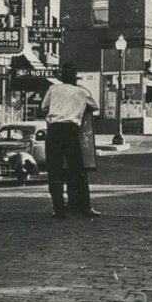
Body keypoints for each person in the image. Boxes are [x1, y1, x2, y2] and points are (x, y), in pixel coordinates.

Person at [41, 61, 100, 219]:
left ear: (62, 77)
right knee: (78, 170)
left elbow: (44, 107)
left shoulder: (53, 89)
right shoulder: (81, 92)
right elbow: (95, 107)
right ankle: (85, 207)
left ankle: (58, 210)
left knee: (54, 171)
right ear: (75, 77)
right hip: (70, 131)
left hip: (54, 131)